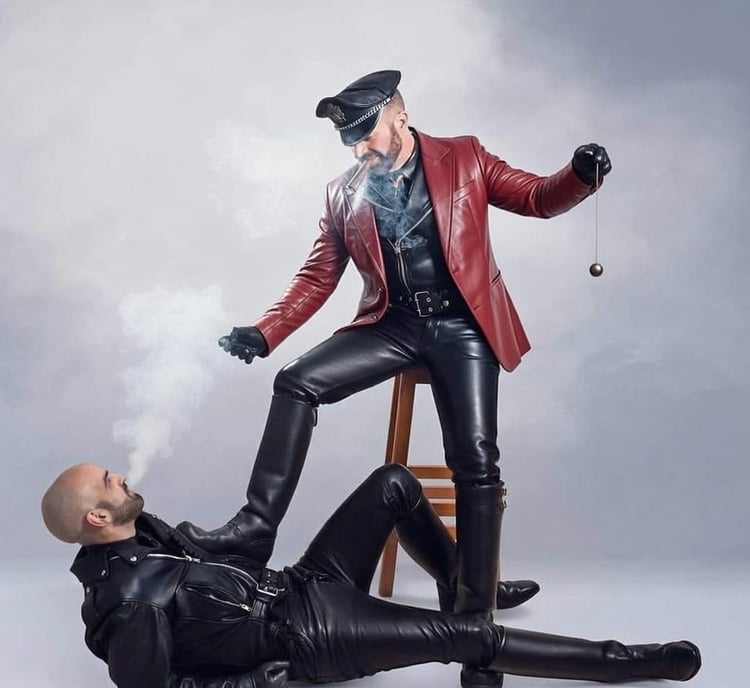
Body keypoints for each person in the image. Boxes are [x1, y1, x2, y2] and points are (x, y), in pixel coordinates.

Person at [176, 69, 612, 687]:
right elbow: (317, 277)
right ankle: (254, 528)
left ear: (400, 117)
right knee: (295, 381)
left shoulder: (464, 157)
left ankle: (474, 622)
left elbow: (538, 197)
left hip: (463, 326)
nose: (359, 149)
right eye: (348, 140)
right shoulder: (343, 193)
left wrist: (580, 175)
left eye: (366, 134)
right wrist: (265, 331)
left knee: (476, 463)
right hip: (394, 323)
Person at [41, 461, 699, 688]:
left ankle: (461, 583)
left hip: (302, 584)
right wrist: (255, 681)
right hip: (309, 636)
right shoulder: (128, 604)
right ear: (97, 518)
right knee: (471, 637)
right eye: (109, 481)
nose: (122, 478)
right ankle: (631, 661)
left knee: (394, 483)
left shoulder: (146, 533)